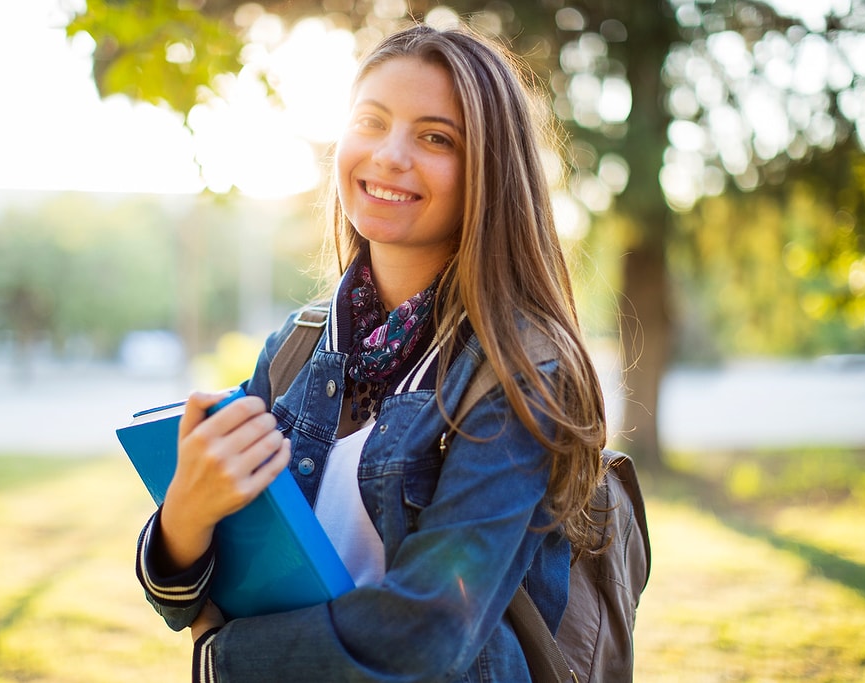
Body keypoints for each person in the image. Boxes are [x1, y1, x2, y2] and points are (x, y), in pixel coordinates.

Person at [136, 21, 608, 682]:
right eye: (370, 121)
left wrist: (225, 660)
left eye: (435, 137)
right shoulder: (298, 347)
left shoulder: (521, 374)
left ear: (489, 173)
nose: (389, 155)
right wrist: (184, 513)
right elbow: (179, 599)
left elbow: (428, 628)